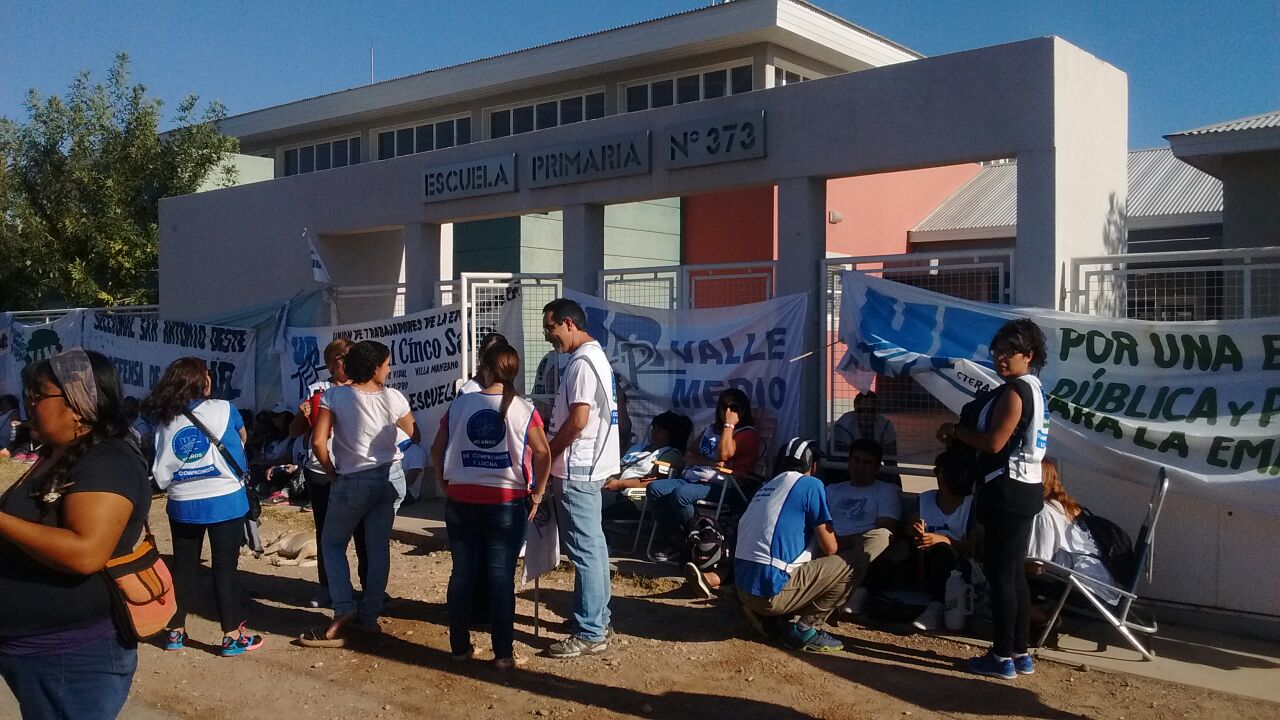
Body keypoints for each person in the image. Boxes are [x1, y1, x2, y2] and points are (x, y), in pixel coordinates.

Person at [0, 349, 151, 719]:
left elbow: (85, 554)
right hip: (38, 651)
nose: (29, 404)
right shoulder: (60, 453)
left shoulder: (107, 461)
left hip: (71, 656)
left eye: (38, 395)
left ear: (78, 405)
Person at [937, 317, 1049, 680]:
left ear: (1028, 356)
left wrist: (957, 431)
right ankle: (1020, 652)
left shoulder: (1016, 392)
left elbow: (994, 443)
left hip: (1008, 490)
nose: (1002, 359)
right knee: (1014, 574)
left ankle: (1002, 656)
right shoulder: (1032, 387)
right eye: (998, 352)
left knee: (1002, 576)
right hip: (1023, 488)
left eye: (1010, 352)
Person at [432, 344, 551, 671]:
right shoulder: (524, 410)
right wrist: (538, 492)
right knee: (500, 579)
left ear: (485, 370)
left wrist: (444, 483)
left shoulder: (460, 404)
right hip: (506, 502)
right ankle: (503, 655)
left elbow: (436, 449)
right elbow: (543, 453)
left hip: (461, 500)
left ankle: (459, 648)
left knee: (461, 574)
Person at [145, 357, 265, 657]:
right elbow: (242, 438)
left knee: (184, 568)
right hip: (225, 498)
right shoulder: (224, 408)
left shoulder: (164, 417)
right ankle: (231, 636)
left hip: (183, 501)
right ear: (203, 381)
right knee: (225, 569)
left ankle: (175, 631)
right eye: (207, 375)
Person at [302, 340, 416, 646]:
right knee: (378, 548)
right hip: (389, 476)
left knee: (332, 543)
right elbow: (414, 433)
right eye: (387, 364)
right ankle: (370, 616)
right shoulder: (393, 397)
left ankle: (343, 608)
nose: (390, 369)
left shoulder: (334, 396)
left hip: (352, 478)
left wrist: (331, 472)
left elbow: (317, 442)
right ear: (375, 367)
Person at [541, 298, 620, 659]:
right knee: (595, 548)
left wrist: (548, 453)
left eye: (551, 328)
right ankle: (597, 621)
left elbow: (579, 420)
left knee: (586, 551)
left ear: (569, 323)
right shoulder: (592, 358)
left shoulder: (583, 362)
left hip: (577, 468)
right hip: (588, 466)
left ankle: (590, 631)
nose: (548, 336)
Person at [735, 438, 848, 653]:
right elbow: (830, 547)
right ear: (812, 465)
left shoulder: (767, 486)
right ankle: (806, 630)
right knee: (851, 564)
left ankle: (766, 616)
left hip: (743, 589)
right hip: (769, 595)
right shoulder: (810, 484)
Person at [288, 338, 367, 608]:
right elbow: (296, 431)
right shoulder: (317, 389)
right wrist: (302, 414)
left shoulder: (365, 387)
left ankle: (370, 587)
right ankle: (329, 586)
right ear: (330, 362)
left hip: (355, 468)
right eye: (341, 357)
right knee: (327, 531)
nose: (346, 362)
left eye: (350, 356)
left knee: (363, 531)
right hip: (321, 469)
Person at [645, 388, 761, 557]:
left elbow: (724, 454)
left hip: (723, 486)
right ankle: (676, 538)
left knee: (681, 495)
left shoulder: (746, 433)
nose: (727, 411)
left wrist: (729, 424)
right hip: (692, 478)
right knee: (655, 488)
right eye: (723, 406)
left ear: (742, 411)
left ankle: (696, 541)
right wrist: (711, 462)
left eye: (734, 407)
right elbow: (689, 454)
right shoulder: (711, 429)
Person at [1026, 459, 1120, 607]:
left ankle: (1041, 618)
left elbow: (1036, 566)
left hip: (1089, 592)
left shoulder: (1043, 512)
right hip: (1105, 588)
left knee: (1006, 575)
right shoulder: (1064, 505)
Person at [902, 448, 976, 631]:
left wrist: (941, 539)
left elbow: (973, 548)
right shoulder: (925, 498)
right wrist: (916, 531)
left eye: (946, 473)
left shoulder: (970, 504)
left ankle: (937, 607)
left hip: (956, 568)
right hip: (921, 560)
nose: (941, 477)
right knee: (899, 548)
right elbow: (908, 528)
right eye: (937, 472)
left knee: (943, 551)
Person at [827, 438, 901, 616]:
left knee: (882, 538)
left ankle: (857, 594)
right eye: (856, 461)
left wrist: (847, 542)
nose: (860, 467)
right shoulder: (831, 490)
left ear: (877, 467)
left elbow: (886, 528)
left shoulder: (886, 491)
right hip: (829, 546)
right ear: (849, 462)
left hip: (861, 551)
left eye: (867, 463)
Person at [830, 391, 897, 459]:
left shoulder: (885, 426)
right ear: (855, 410)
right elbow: (848, 461)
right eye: (860, 410)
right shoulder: (843, 426)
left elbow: (891, 460)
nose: (865, 414)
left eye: (871, 411)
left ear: (877, 411)